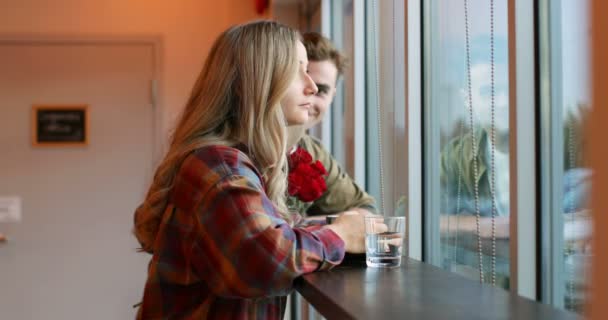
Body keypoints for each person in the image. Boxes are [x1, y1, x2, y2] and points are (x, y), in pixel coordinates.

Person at [132, 21, 366, 319]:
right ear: (258, 81)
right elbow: (264, 261)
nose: (311, 85)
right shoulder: (219, 166)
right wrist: (341, 234)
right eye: (297, 70)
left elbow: (269, 238)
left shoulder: (233, 162)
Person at [288, 32, 377, 217]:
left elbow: (366, 210)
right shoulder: (242, 152)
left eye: (321, 91)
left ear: (332, 97)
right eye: (300, 80)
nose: (309, 92)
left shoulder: (313, 152)